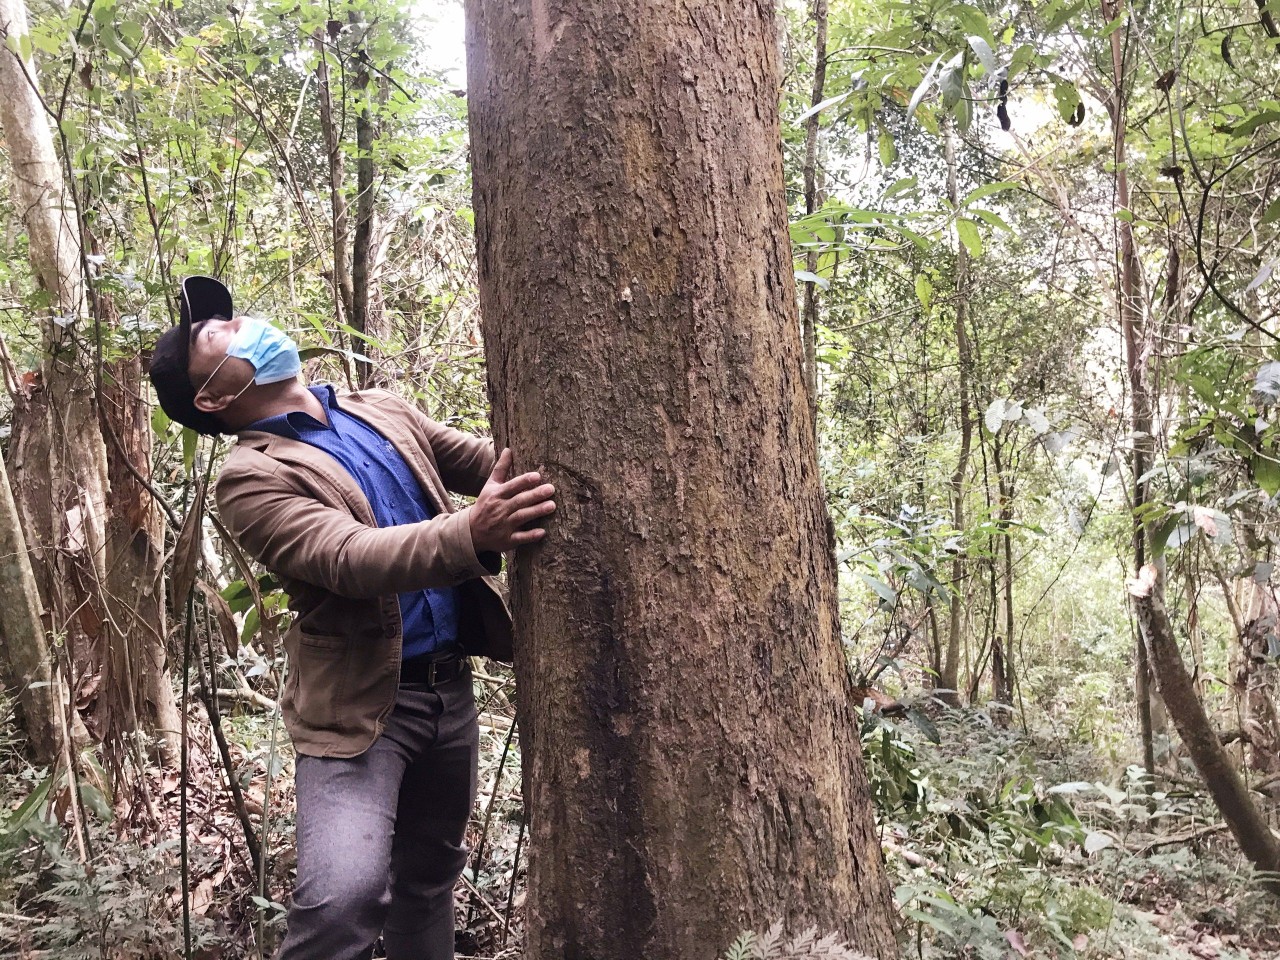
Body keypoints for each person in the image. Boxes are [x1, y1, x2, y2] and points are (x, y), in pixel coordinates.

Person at [148, 276, 555, 960]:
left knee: (427, 883)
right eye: (221, 336)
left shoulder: (381, 410)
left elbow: (487, 463)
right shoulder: (250, 478)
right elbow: (347, 556)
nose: (250, 327)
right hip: (359, 714)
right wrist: (473, 532)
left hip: (450, 693)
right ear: (214, 397)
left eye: (234, 318)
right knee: (342, 900)